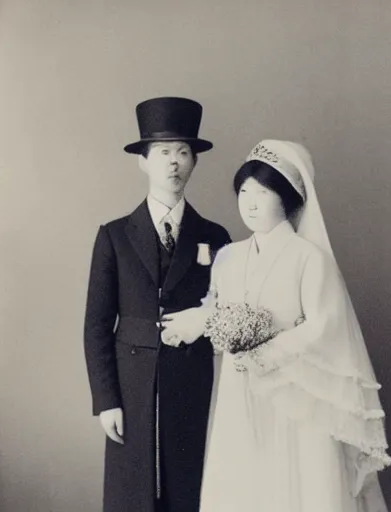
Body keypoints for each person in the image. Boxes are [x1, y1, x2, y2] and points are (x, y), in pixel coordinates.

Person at [161, 139, 391, 512]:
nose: (250, 202)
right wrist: (199, 321)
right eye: (244, 191)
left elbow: (323, 325)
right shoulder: (229, 257)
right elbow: (216, 306)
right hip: (241, 391)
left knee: (302, 483)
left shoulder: (310, 259)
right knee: (245, 482)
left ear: (288, 198)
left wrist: (265, 353)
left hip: (297, 393)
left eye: (263, 192)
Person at [83, 97, 231, 512]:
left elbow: (226, 310)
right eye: (163, 152)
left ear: (194, 162)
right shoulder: (113, 236)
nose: (174, 163)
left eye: (183, 152)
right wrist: (106, 399)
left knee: (189, 486)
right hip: (130, 384)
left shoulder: (215, 236)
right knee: (131, 492)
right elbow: (96, 325)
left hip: (192, 379)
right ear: (143, 161)